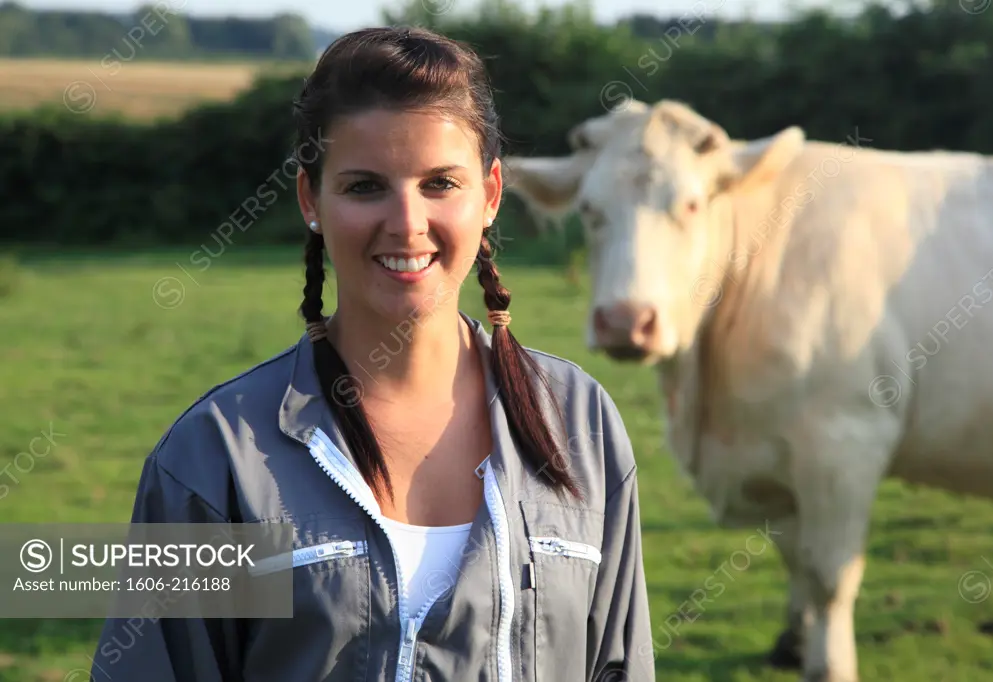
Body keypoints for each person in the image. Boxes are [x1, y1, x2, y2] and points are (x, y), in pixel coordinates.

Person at [89, 25, 655, 682]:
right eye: (365, 187)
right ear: (311, 200)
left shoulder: (580, 424)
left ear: (491, 195)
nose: (408, 223)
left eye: (441, 183)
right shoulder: (215, 458)